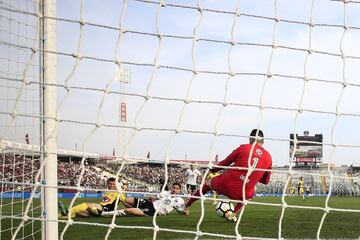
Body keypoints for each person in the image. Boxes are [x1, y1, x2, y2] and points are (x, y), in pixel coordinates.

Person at [184, 129, 272, 221]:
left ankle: (187, 205)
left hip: (226, 183)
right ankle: (233, 214)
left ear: (250, 139)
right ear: (263, 141)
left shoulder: (243, 148)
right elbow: (266, 181)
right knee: (252, 192)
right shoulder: (269, 158)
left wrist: (212, 169)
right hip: (242, 193)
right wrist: (254, 175)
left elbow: (224, 163)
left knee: (208, 183)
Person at [101, 182, 185, 217]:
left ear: (179, 190)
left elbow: (184, 210)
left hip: (153, 210)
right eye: (174, 188)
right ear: (171, 188)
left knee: (129, 210)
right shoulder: (166, 192)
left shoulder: (180, 200)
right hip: (149, 203)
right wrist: (152, 198)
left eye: (177, 188)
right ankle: (112, 207)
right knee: (126, 200)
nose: (175, 189)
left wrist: (182, 210)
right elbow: (156, 198)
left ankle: (104, 213)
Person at [58, 177, 126, 218]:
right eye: (110, 184)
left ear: (116, 185)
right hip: (102, 207)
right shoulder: (106, 192)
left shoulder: (119, 193)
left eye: (113, 184)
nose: (111, 185)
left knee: (86, 204)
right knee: (79, 212)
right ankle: (59, 216)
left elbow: (125, 202)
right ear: (107, 184)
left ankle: (68, 211)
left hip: (106, 209)